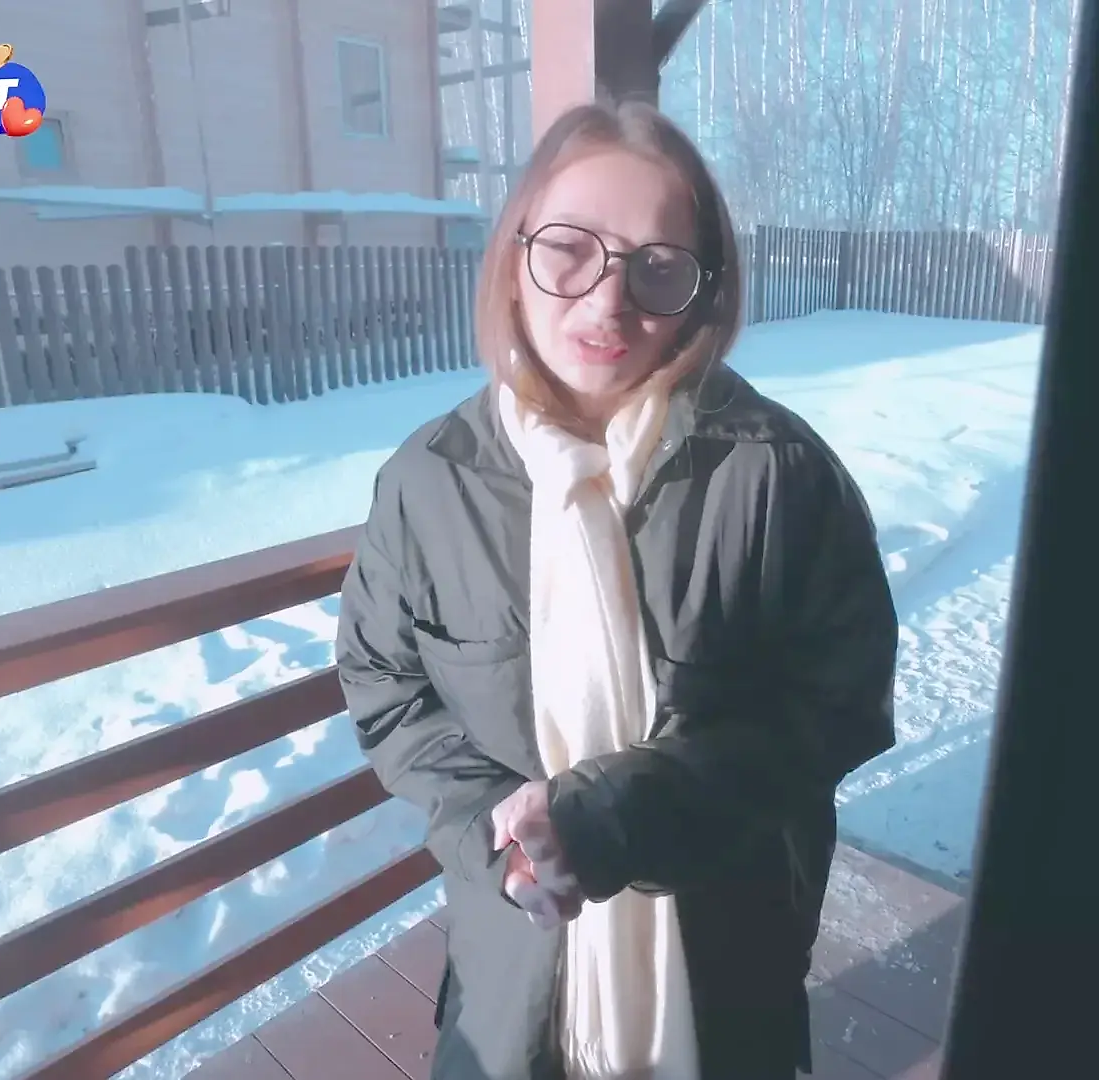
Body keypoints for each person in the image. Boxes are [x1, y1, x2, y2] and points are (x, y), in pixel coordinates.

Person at [334, 98, 899, 1080]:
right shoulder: (428, 484)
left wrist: (616, 819)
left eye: (657, 267)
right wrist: (495, 832)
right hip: (511, 983)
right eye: (569, 249)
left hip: (722, 975)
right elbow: (387, 686)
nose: (606, 301)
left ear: (705, 289)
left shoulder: (778, 475)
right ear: (514, 256)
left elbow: (837, 704)